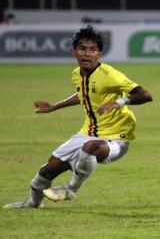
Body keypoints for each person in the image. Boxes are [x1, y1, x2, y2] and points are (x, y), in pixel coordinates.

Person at [3, 26, 152, 209]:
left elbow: (145, 95)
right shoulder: (76, 74)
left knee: (90, 147)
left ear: (99, 54)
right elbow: (84, 94)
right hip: (87, 132)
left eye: (92, 50)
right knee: (47, 171)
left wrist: (119, 102)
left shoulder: (110, 75)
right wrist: (53, 107)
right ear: (74, 51)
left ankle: (70, 189)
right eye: (82, 48)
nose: (87, 54)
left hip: (116, 138)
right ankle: (33, 203)